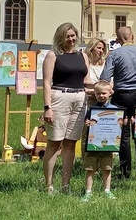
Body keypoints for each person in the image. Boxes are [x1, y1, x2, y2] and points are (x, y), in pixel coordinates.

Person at [42, 22, 93, 194]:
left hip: (79, 100)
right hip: (59, 98)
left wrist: (104, 86)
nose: (71, 39)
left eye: (73, 35)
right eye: (67, 36)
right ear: (60, 37)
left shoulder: (82, 56)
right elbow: (47, 83)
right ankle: (49, 185)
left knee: (70, 144)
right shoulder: (53, 55)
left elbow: (86, 81)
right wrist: (47, 107)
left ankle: (66, 185)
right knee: (54, 143)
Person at [100, 26, 136, 179]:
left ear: (118, 39)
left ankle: (125, 172)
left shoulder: (114, 54)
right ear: (132, 36)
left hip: (121, 95)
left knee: (123, 135)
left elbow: (105, 77)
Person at [81, 80, 122, 201]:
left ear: (110, 93)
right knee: (90, 169)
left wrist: (121, 123)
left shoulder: (115, 110)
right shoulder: (91, 109)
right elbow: (86, 122)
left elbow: (118, 126)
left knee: (107, 168)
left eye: (104, 93)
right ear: (94, 94)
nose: (101, 96)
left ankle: (107, 190)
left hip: (108, 145)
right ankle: (88, 192)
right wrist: (87, 123)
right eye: (98, 93)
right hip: (93, 144)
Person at [85, 37, 108, 106]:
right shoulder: (83, 63)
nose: (101, 51)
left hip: (103, 101)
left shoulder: (105, 64)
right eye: (99, 48)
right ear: (91, 48)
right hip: (87, 100)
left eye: (103, 49)